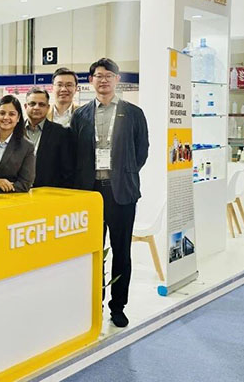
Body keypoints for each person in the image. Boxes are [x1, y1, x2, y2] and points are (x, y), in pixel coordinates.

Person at [70, 58, 149, 329]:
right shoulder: (80, 114)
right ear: (90, 81)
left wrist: (122, 173)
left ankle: (118, 306)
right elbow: (76, 154)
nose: (103, 80)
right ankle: (95, 302)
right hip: (90, 192)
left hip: (121, 193)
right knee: (91, 251)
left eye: (108, 76)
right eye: (98, 76)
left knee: (121, 251)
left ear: (117, 80)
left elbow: (141, 151)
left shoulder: (133, 113)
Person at [24, 86, 75, 188]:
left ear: (48, 108)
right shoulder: (14, 131)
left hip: (49, 192)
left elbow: (67, 171)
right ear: (25, 106)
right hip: (18, 192)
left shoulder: (61, 133)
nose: (36, 107)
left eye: (41, 104)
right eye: (32, 104)